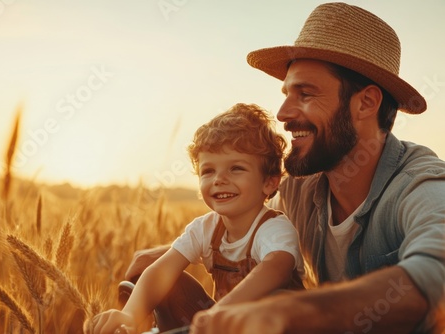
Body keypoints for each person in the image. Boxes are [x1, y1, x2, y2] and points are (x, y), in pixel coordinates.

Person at [124, 3, 445, 333]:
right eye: (287, 93)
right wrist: (169, 256)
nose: (283, 113)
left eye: (305, 94)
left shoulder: (422, 185)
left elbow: (438, 276)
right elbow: (248, 230)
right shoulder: (297, 190)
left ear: (366, 103)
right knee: (149, 265)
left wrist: (293, 312)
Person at [90, 103, 304, 334]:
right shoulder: (205, 228)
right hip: (218, 326)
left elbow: (276, 268)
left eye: (236, 168)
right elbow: (162, 270)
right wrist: (129, 314)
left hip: (270, 326)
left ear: (269, 182)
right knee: (170, 281)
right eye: (208, 171)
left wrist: (219, 313)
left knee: (279, 299)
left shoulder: (273, 228)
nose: (219, 179)